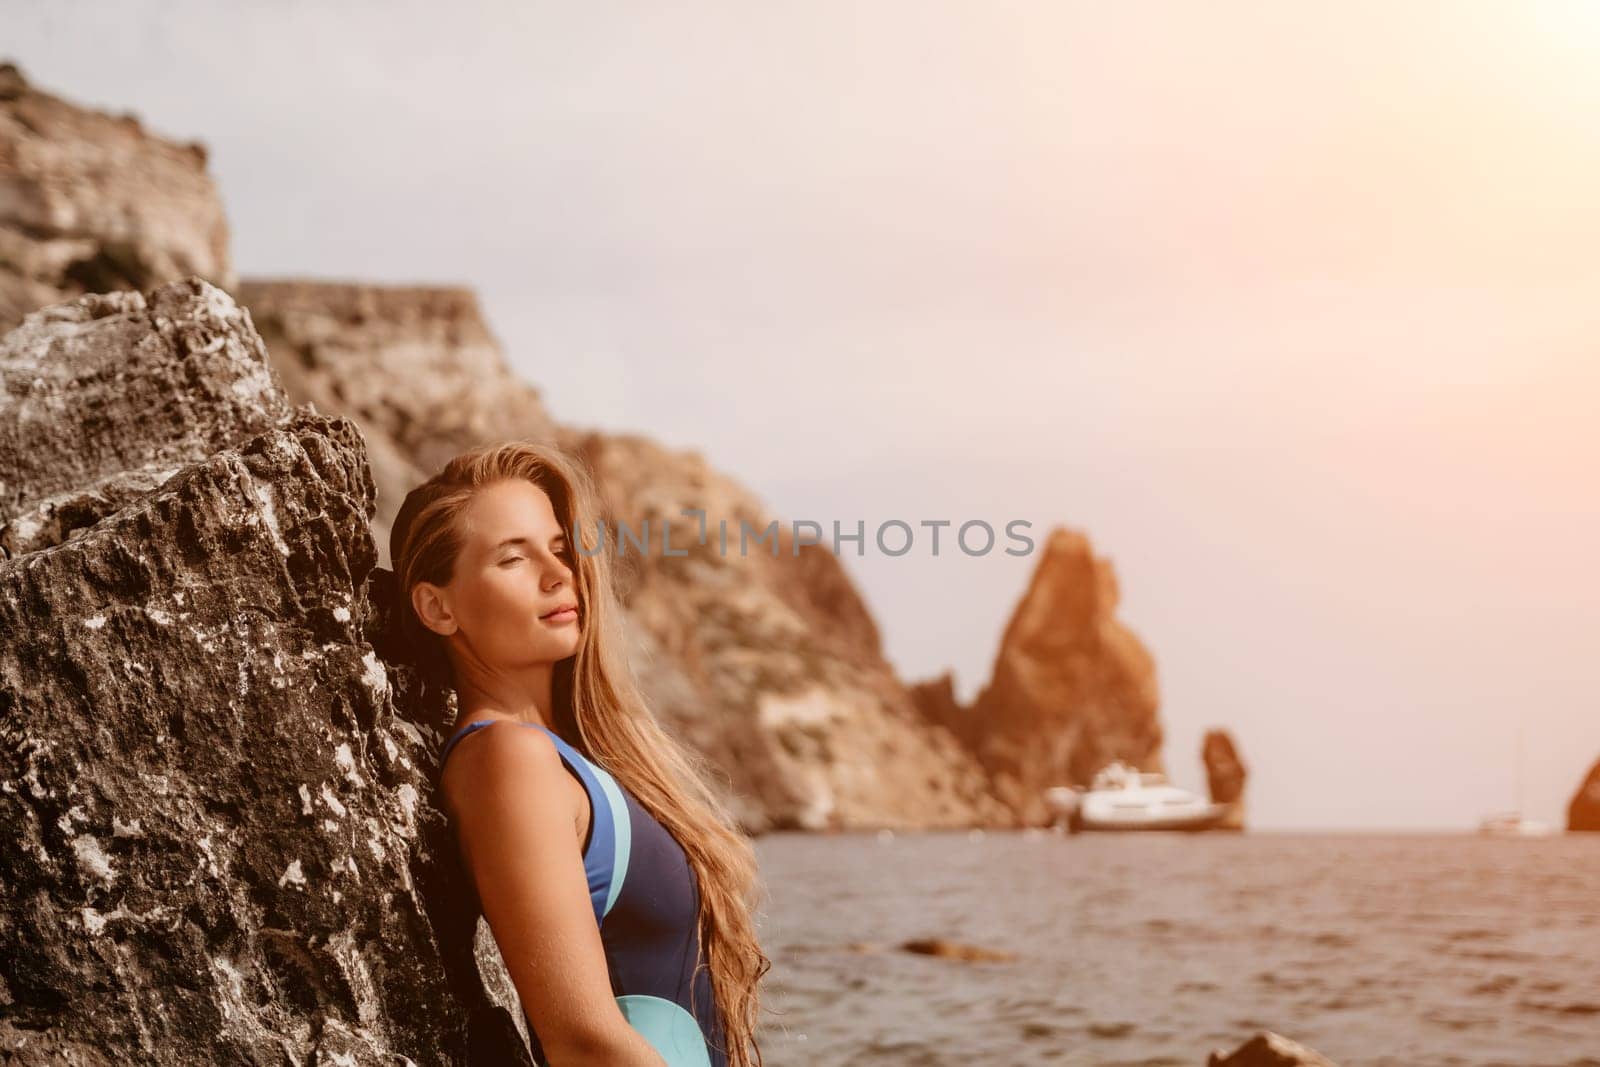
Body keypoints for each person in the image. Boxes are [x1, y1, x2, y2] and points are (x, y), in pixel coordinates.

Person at [389, 440, 770, 1067]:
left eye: (561, 549)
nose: (558, 573)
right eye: (513, 558)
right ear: (438, 607)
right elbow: (582, 1041)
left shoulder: (575, 760)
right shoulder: (507, 758)